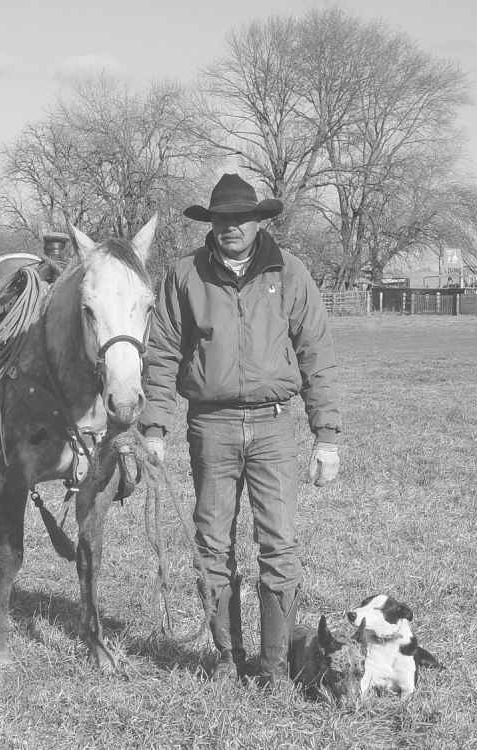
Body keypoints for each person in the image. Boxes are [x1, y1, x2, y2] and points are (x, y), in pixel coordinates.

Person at [140, 173, 342, 686]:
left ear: (258, 221)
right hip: (211, 427)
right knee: (212, 544)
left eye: (240, 218)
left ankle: (273, 668)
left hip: (276, 428)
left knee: (278, 546)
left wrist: (327, 436)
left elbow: (316, 352)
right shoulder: (184, 275)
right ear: (211, 222)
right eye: (221, 218)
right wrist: (154, 425)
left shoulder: (289, 272)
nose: (231, 227)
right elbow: (161, 353)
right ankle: (228, 659)